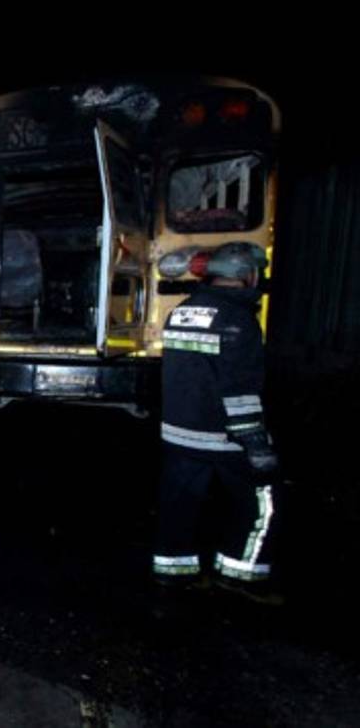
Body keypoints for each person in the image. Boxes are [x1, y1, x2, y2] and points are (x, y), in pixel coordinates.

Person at [154, 242, 282, 605]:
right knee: (261, 503)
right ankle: (243, 576)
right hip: (222, 437)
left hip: (178, 434)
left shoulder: (181, 311)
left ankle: (172, 573)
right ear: (248, 275)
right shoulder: (239, 321)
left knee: (178, 504)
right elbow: (240, 390)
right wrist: (255, 443)